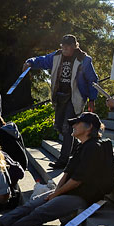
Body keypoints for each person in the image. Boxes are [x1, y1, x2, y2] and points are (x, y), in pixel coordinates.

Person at [0, 112, 114, 226]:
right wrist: (56, 192)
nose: (74, 126)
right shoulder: (82, 145)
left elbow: (77, 181)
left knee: (40, 212)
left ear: (89, 127)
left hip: (83, 197)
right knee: (32, 204)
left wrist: (56, 195)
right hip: (70, 191)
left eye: (77, 123)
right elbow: (67, 173)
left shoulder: (94, 148)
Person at [23, 35, 98, 169]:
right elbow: (41, 60)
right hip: (59, 96)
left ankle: (63, 160)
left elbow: (92, 80)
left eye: (68, 46)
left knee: (67, 127)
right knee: (58, 126)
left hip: (74, 97)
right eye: (63, 46)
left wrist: (92, 99)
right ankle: (77, 148)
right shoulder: (56, 56)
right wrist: (30, 62)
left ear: (75, 46)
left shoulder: (84, 60)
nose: (65, 48)